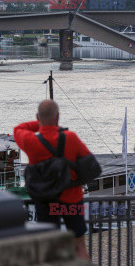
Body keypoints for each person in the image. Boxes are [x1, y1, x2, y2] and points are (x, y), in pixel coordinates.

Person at [13, 100, 90, 260]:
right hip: (72, 200)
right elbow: (90, 164)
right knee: (79, 247)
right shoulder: (71, 137)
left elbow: (18, 129)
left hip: (47, 203)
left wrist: (41, 123)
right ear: (58, 117)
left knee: (49, 249)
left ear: (37, 117)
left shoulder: (30, 141)